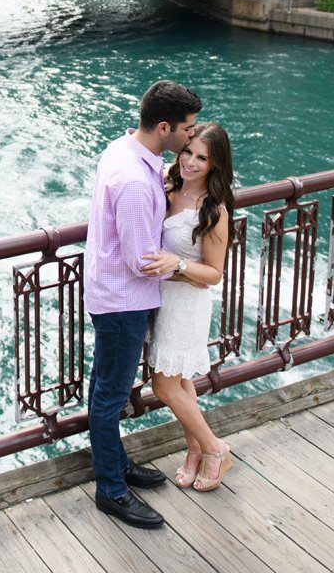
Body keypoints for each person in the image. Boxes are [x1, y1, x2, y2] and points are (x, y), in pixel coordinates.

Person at [84, 80, 202, 529]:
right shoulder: (134, 180)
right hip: (123, 301)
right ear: (165, 126)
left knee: (105, 387)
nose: (192, 137)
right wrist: (188, 267)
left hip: (111, 293)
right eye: (188, 130)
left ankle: (116, 463)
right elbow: (140, 262)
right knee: (110, 395)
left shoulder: (126, 149)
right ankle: (111, 487)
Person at [142, 122, 235, 492]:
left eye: (201, 158)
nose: (191, 163)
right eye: (187, 152)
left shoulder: (213, 211)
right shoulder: (167, 185)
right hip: (160, 299)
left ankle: (216, 449)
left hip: (187, 305)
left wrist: (177, 265)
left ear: (215, 165)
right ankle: (193, 451)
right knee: (180, 381)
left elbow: (214, 273)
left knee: (163, 386)